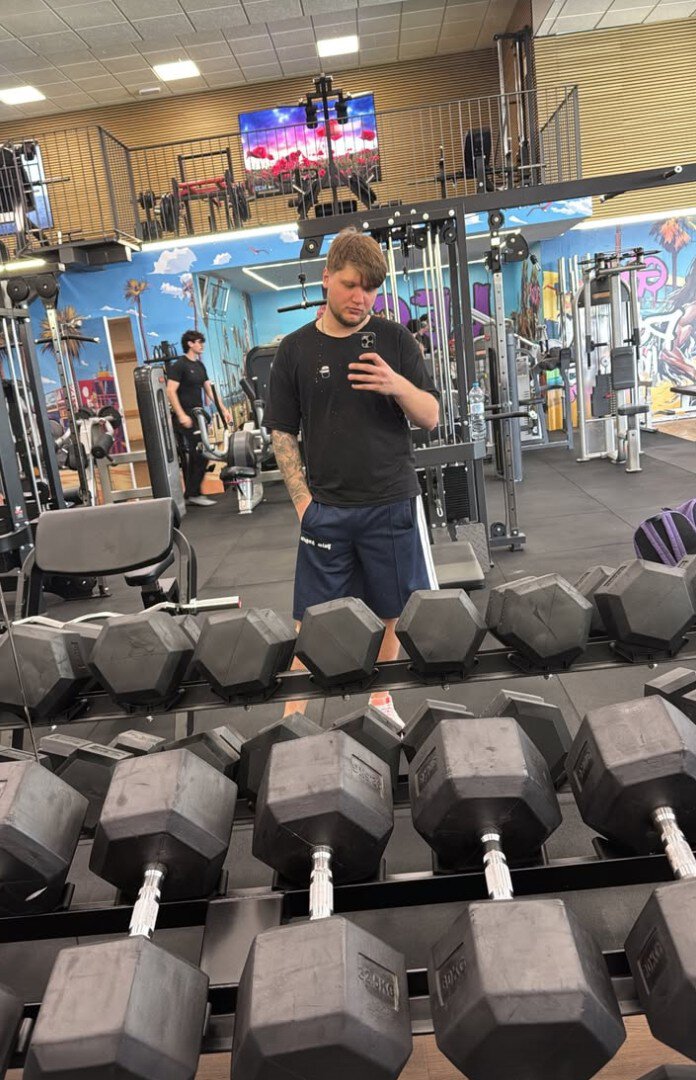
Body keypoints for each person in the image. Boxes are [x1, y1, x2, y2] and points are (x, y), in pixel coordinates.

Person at [264, 228, 440, 725]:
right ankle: (293, 718)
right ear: (326, 279)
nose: (360, 297)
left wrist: (396, 383)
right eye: (350, 284)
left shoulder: (395, 340)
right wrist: (303, 505)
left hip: (391, 501)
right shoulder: (295, 350)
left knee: (392, 610)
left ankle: (380, 700)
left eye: (370, 288)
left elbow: (430, 416)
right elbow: (282, 432)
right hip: (327, 510)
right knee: (311, 620)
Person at [166, 330, 231, 507]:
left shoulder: (200, 366)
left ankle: (191, 494)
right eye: (199, 342)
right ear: (190, 344)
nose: (202, 345)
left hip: (198, 415)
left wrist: (223, 409)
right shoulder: (179, 365)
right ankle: (193, 494)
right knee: (201, 452)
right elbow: (170, 391)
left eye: (202, 342)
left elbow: (209, 391)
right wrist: (181, 415)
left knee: (199, 453)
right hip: (185, 416)